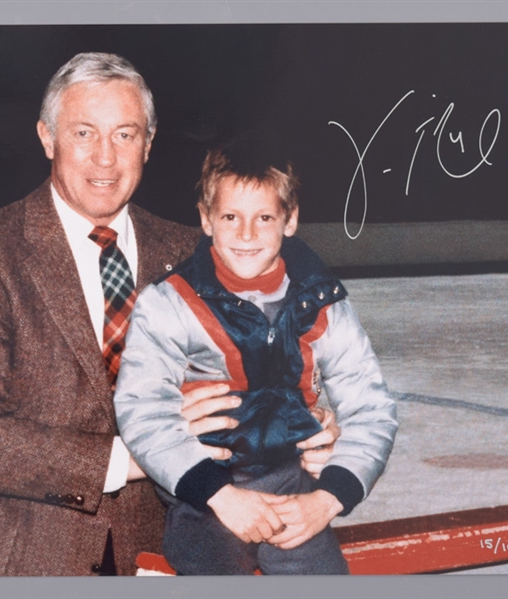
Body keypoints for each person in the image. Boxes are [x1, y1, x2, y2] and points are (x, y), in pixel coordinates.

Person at [0, 52, 338, 577]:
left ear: (149, 145)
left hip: (161, 553)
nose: (106, 159)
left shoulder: (196, 253)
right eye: (85, 133)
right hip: (15, 556)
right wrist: (135, 457)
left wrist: (305, 418)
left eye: (125, 135)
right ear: (47, 138)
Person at [113, 141, 399, 575]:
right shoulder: (170, 303)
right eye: (231, 217)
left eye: (264, 218)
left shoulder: (321, 300)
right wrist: (217, 494)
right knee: (215, 563)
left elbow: (370, 406)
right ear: (207, 219)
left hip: (288, 481)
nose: (247, 235)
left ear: (291, 219)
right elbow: (142, 408)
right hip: (204, 487)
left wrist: (328, 499)